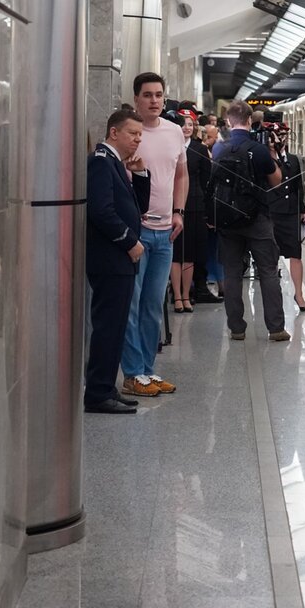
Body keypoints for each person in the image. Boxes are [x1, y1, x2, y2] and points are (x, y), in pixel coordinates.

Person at [121, 73, 189, 398]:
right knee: (131, 303)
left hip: (166, 234)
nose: (154, 100)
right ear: (136, 99)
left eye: (159, 95)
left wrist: (180, 211)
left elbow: (182, 174)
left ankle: (147, 370)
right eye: (147, 95)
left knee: (151, 305)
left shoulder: (175, 132)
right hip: (138, 232)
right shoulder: (130, 134)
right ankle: (132, 373)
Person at [84, 108, 152, 415]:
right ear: (114, 133)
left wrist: (139, 175)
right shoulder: (100, 162)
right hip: (111, 259)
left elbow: (138, 206)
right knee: (108, 328)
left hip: (119, 261)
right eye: (133, 134)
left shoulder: (116, 163)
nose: (138, 140)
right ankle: (98, 392)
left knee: (116, 326)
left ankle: (107, 388)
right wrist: (129, 241)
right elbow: (100, 211)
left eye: (140, 135)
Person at [213, 100, 291, 342]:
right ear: (249, 121)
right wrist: (272, 154)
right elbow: (276, 181)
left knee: (232, 273)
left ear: (228, 122)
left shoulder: (219, 149)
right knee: (268, 271)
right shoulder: (257, 150)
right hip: (258, 219)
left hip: (228, 221)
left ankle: (237, 328)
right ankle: (276, 328)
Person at [267, 123, 305, 312]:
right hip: (271, 212)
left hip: (290, 212)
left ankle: (299, 294)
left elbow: (298, 186)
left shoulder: (292, 159)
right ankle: (273, 292)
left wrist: (302, 211)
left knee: (295, 254)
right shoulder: (266, 160)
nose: (281, 139)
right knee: (271, 254)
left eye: (284, 135)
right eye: (277, 135)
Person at [169, 111, 209, 311]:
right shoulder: (169, 146)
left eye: (190, 125)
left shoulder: (200, 149)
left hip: (195, 204)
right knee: (176, 253)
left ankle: (186, 295)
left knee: (190, 253)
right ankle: (176, 296)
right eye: (183, 124)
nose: (187, 128)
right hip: (173, 205)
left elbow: (206, 180)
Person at [194, 115, 224, 302]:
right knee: (205, 252)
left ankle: (221, 286)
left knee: (217, 252)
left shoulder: (219, 153)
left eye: (211, 137)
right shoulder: (199, 154)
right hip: (203, 210)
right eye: (206, 137)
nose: (208, 141)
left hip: (214, 212)